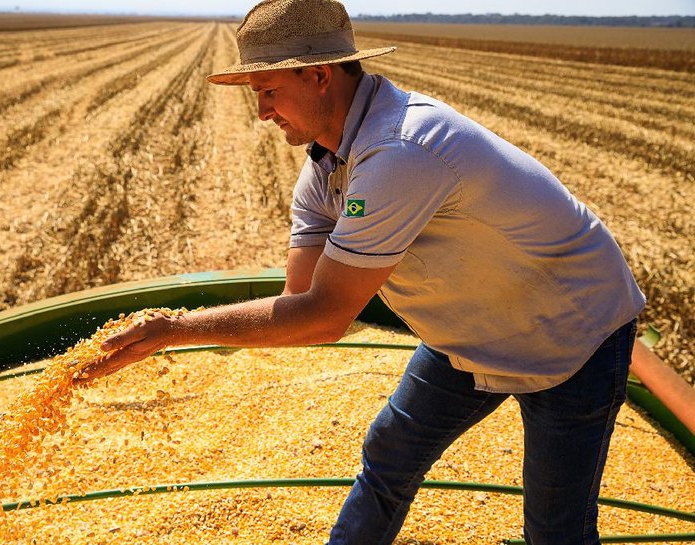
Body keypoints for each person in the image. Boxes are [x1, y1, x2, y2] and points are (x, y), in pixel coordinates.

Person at [78, 1, 646, 543]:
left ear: (320, 75)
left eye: (269, 90)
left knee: (555, 525)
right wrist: (174, 332)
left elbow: (325, 317)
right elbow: (300, 299)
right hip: (470, 335)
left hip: (574, 333)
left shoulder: (402, 150)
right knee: (389, 457)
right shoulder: (327, 169)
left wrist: (172, 331)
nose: (262, 112)